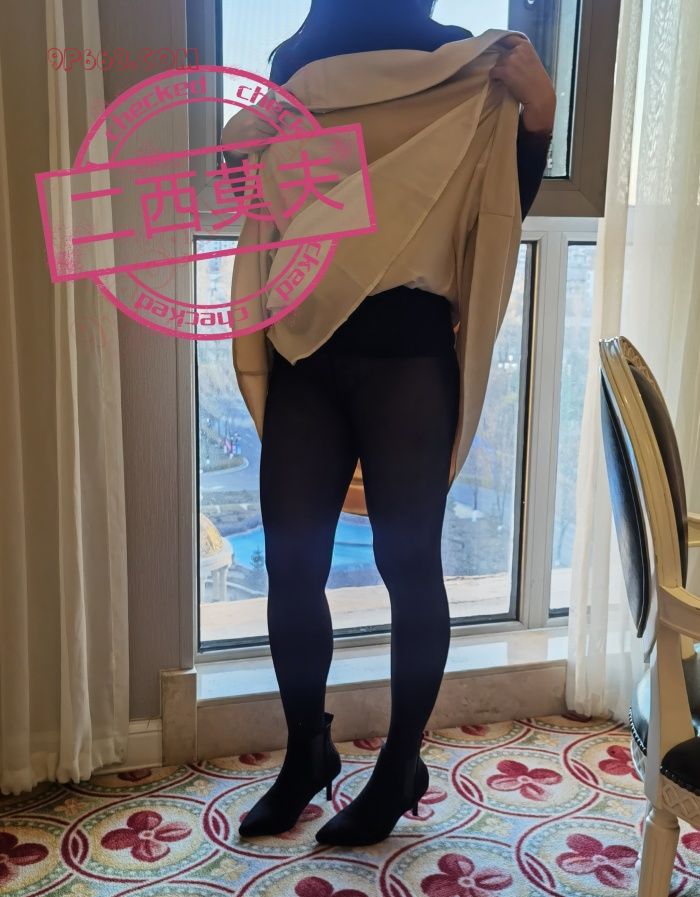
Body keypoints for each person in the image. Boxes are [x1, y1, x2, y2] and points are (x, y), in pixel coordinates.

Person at [230, 0, 556, 845]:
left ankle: (401, 765)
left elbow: (493, 201)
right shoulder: (296, 63)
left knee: (408, 565)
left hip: (408, 351)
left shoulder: (463, 65)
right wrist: (242, 149)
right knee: (291, 563)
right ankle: (307, 753)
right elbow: (266, 205)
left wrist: (537, 115)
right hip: (306, 341)